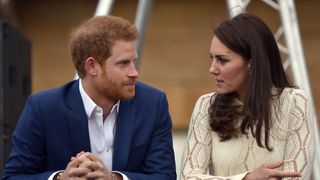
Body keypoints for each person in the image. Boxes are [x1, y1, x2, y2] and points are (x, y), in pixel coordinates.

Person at [3, 15, 176, 180]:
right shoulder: (43, 108)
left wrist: (114, 178)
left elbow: (165, 176)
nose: (134, 73)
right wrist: (61, 178)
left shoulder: (153, 104)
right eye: (123, 63)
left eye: (133, 62)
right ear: (92, 66)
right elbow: (14, 176)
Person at [181, 13, 315, 180]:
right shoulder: (206, 105)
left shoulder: (295, 102)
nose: (212, 69)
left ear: (252, 62)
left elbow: (297, 177)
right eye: (212, 58)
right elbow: (188, 176)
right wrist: (246, 178)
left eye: (222, 60)